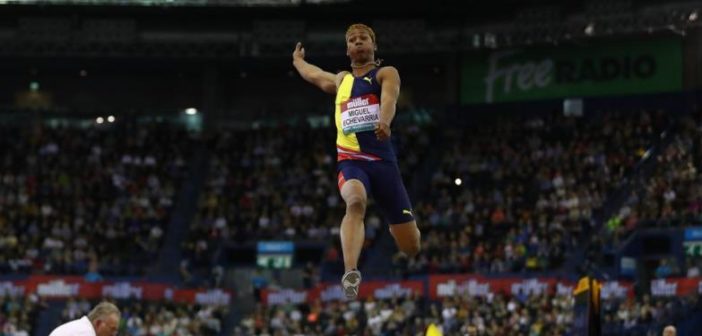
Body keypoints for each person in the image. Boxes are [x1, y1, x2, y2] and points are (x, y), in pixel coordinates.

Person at [292, 23, 421, 299]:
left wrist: (385, 121)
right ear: (347, 49)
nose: (358, 42)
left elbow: (390, 98)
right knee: (355, 202)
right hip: (351, 161)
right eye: (353, 39)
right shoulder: (342, 81)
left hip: (384, 165)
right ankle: (351, 272)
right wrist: (298, 61)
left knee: (411, 247)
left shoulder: (385, 73)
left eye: (364, 38)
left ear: (374, 46)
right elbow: (314, 75)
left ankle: (392, 217)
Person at [49, 301, 121, 336]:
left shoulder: (81, 328)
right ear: (98, 323)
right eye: (112, 329)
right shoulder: (86, 332)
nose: (114, 334)